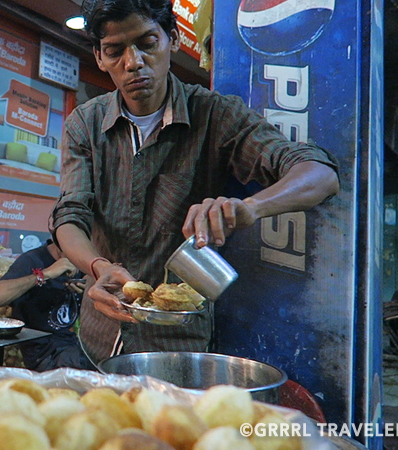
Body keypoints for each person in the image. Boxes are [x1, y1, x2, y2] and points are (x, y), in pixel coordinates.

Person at [51, 0, 340, 364]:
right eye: (115, 51)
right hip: (98, 337)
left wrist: (248, 208)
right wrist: (98, 268)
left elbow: (320, 174)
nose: (133, 62)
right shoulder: (84, 124)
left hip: (177, 346)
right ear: (99, 57)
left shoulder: (215, 115)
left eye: (147, 43)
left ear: (171, 38)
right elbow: (69, 216)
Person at [0, 239, 95, 371]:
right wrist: (44, 274)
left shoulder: (84, 261)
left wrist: (90, 288)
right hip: (46, 352)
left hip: (77, 343)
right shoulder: (32, 260)